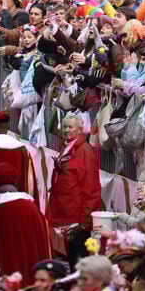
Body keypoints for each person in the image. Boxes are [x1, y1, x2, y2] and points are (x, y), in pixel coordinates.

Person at [0, 162, 52, 284]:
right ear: (15, 179)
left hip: (3, 286)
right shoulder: (31, 207)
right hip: (33, 282)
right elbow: (44, 241)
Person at [45, 115, 102, 269]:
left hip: (77, 216)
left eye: (70, 127)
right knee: (72, 256)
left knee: (79, 258)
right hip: (66, 213)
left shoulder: (84, 151)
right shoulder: (68, 146)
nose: (66, 130)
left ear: (80, 129)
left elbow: (91, 187)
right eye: (64, 127)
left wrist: (84, 222)